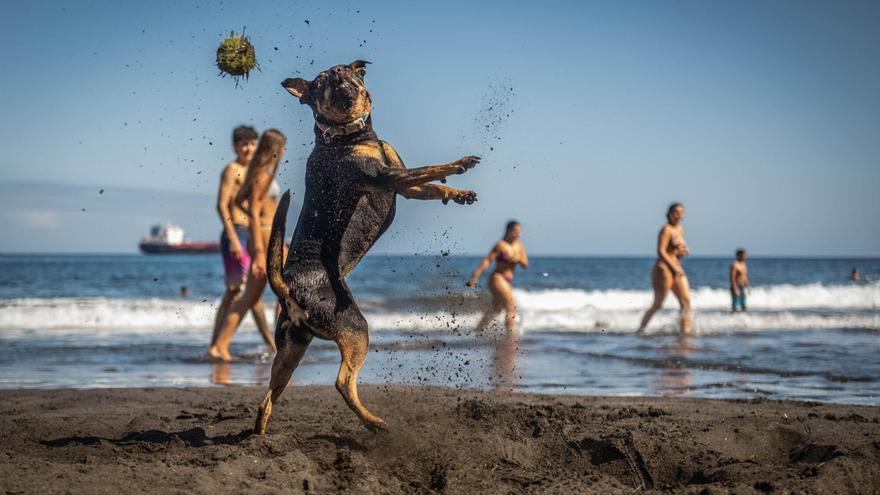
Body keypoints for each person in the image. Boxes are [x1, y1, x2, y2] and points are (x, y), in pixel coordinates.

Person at [209, 129, 286, 362]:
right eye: (244, 144)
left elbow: (241, 202)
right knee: (248, 292)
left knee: (251, 295)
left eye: (253, 144)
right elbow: (228, 205)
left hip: (258, 234)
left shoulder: (255, 170)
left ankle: (223, 345)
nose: (248, 148)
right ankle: (278, 345)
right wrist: (257, 236)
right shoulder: (246, 171)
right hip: (254, 236)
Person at [638, 203, 692, 334]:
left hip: (677, 268)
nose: (679, 215)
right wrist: (673, 266)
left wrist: (683, 251)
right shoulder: (666, 229)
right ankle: (641, 330)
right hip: (663, 268)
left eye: (681, 213)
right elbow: (661, 251)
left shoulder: (680, 229)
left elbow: (676, 251)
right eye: (676, 212)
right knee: (658, 303)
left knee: (686, 303)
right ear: (669, 214)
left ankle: (685, 333)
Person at [467, 220, 529, 333]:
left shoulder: (519, 246)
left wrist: (517, 258)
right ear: (508, 231)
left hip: (507, 281)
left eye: (519, 232)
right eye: (515, 231)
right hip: (497, 278)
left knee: (496, 309)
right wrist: (475, 275)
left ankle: (476, 331)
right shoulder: (501, 245)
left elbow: (525, 264)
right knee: (511, 307)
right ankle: (511, 337)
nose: (518, 234)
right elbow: (487, 260)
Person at [730, 248, 750, 312]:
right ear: (738, 255)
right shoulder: (735, 265)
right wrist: (735, 288)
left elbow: (745, 276)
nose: (744, 257)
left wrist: (748, 286)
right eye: (743, 255)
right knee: (735, 305)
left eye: (745, 255)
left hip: (742, 286)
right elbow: (732, 277)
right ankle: (733, 319)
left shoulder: (743, 264)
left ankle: (742, 320)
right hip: (736, 286)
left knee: (743, 305)